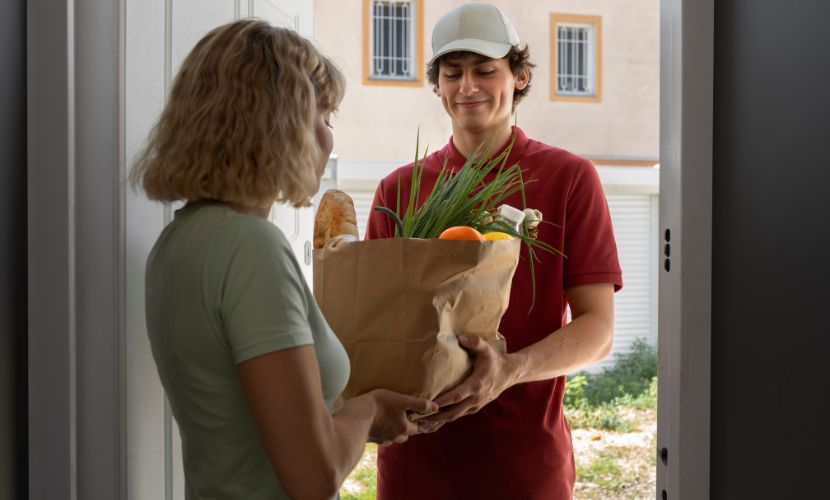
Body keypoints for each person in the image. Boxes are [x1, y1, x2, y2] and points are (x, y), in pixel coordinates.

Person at [130, 20, 437, 500]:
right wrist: (370, 411)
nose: (329, 139)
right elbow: (313, 476)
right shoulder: (251, 248)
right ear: (283, 125)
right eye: (325, 117)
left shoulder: (176, 243)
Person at [365, 3, 623, 499]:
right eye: (452, 72)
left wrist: (509, 371)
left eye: (486, 70)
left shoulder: (569, 179)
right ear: (437, 86)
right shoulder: (397, 190)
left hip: (523, 467)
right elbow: (373, 324)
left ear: (520, 77)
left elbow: (599, 329)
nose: (468, 87)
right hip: (414, 466)